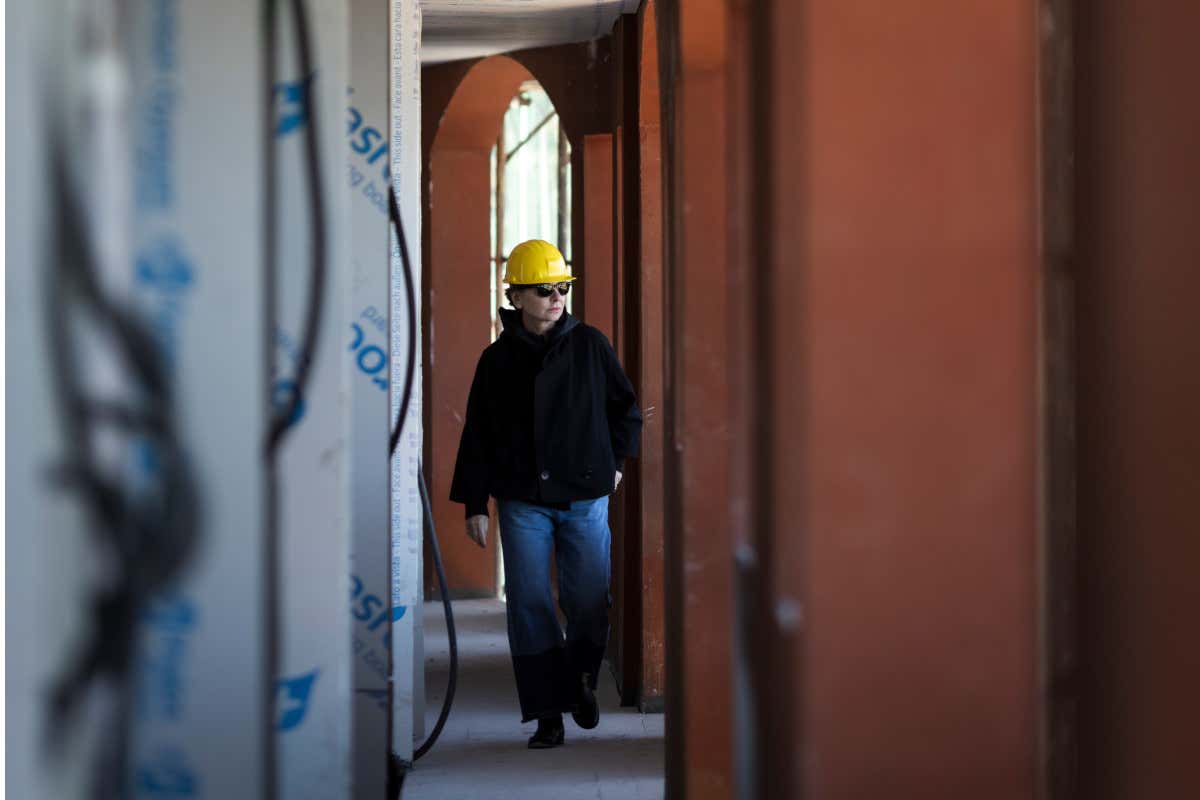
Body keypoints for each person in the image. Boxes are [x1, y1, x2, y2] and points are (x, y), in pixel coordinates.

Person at [450, 238, 643, 749]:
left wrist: (615, 465)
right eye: (542, 289)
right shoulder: (495, 362)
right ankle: (546, 714)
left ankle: (580, 678)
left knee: (587, 599)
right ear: (515, 296)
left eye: (561, 287)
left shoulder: (591, 345)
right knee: (531, 603)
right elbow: (479, 435)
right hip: (522, 501)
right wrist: (475, 503)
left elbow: (626, 409)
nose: (556, 297)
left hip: (584, 497)